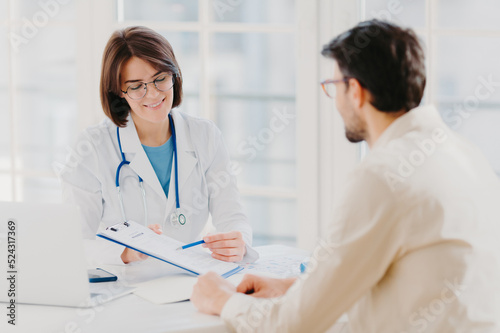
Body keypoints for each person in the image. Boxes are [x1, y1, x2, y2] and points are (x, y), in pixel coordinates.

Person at [190, 19, 500, 332]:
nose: (334, 100)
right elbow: (410, 275)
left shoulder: (383, 177)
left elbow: (293, 325)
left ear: (355, 91)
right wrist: (293, 288)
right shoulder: (465, 154)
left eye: (333, 86)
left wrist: (221, 299)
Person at [59, 26, 258, 265]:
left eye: (160, 79)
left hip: (188, 279)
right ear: (118, 91)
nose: (152, 94)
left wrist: (239, 243)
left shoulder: (205, 136)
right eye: (136, 86)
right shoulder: (92, 146)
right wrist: (124, 252)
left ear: (174, 76)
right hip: (126, 286)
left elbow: (233, 217)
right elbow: (73, 243)